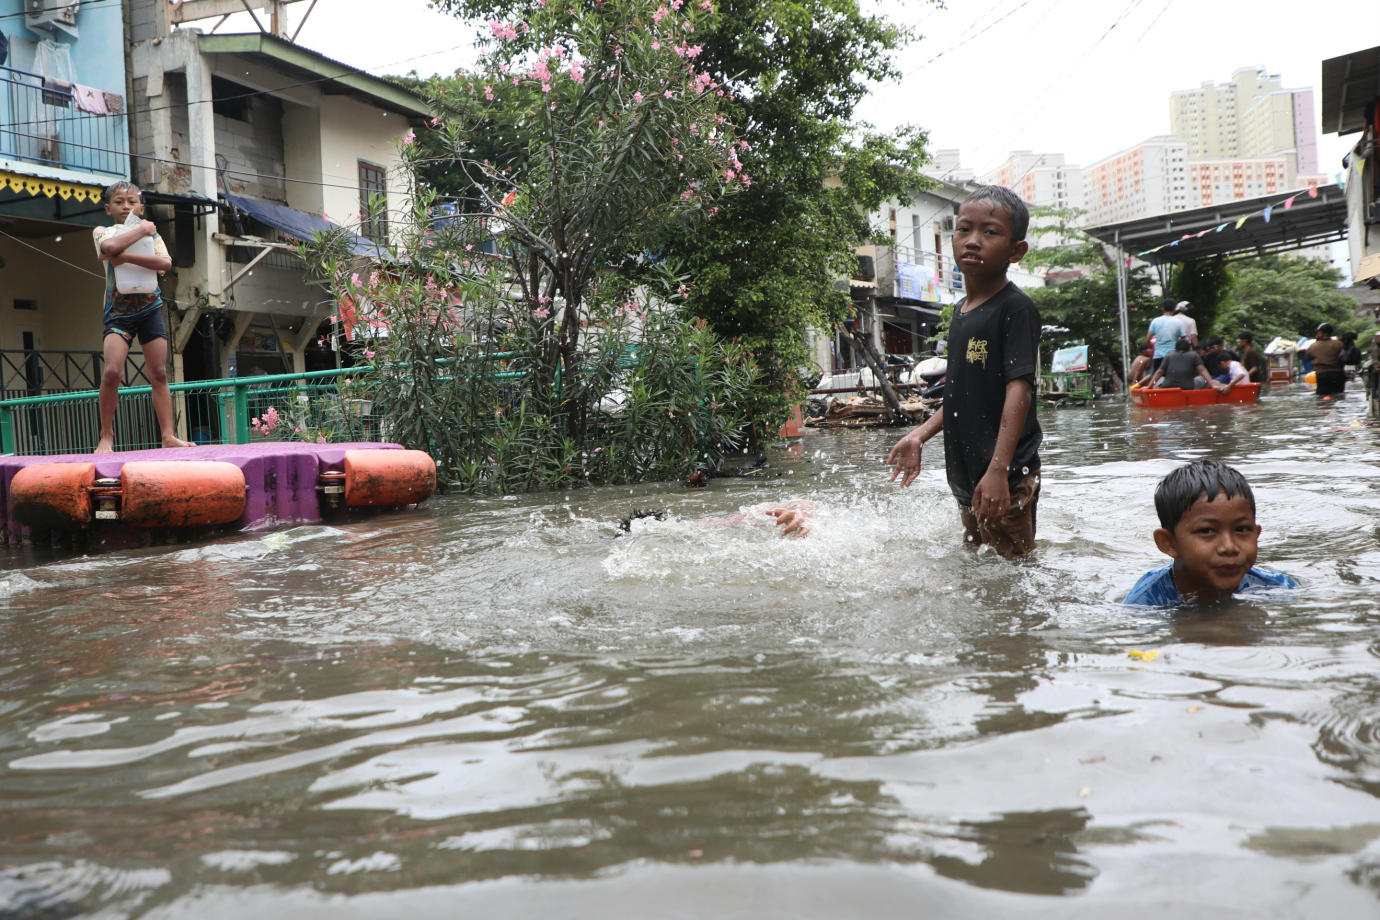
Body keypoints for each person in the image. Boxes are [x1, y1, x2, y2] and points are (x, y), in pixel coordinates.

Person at [886, 185, 1041, 556]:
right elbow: (958, 394)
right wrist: (919, 436)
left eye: (990, 232)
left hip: (1006, 476)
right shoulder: (960, 312)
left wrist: (999, 470)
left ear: (1016, 250)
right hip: (968, 474)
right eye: (964, 229)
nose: (973, 241)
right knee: (980, 571)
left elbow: (1019, 390)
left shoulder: (1015, 309)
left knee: (1013, 572)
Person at [93, 181, 192, 453]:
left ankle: (168, 435)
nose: (126, 206)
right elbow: (110, 247)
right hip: (118, 314)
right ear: (108, 208)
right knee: (112, 371)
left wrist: (128, 257)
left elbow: (165, 263)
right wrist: (142, 228)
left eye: (132, 201)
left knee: (159, 372)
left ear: (141, 206)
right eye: (119, 202)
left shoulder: (154, 236)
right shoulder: (103, 231)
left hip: (150, 310)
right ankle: (106, 435)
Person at [1124, 460, 1298, 606]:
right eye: (1207, 531)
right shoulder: (1145, 603)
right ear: (1169, 543)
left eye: (1242, 529)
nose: (1229, 547)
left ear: (1256, 534)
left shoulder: (1278, 587)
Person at [1145, 337, 1228, 392]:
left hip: (1168, 386)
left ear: (1176, 349)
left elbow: (1159, 372)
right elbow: (1202, 370)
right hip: (1187, 387)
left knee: (1162, 379)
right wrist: (1213, 385)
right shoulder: (1193, 355)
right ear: (1189, 348)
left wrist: (1149, 386)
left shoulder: (1169, 355)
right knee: (1201, 378)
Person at [1304, 323, 1345, 397]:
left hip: (1321, 375)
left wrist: (1317, 341)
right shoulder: (1339, 344)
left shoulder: (1313, 346)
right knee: (1338, 395)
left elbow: (1308, 356)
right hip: (1337, 374)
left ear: (1320, 333)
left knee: (1322, 397)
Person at [1147, 299, 1185, 373]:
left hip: (1158, 355)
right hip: (1173, 354)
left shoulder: (1155, 321)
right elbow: (1183, 339)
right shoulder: (1178, 322)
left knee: (1157, 375)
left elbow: (1148, 339)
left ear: (1162, 309)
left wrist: (1151, 348)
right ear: (1174, 309)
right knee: (1172, 375)